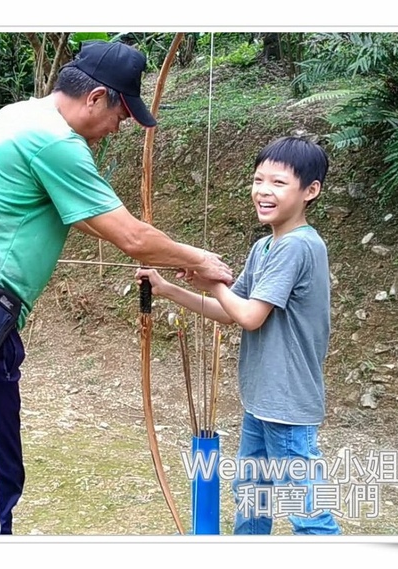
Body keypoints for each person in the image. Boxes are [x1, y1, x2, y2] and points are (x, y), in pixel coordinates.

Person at [0, 40, 234, 535]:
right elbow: (131, 236)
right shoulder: (55, 141)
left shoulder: (22, 116)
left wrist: (170, 258)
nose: (118, 129)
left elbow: (85, 218)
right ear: (97, 97)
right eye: (121, 115)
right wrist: (202, 261)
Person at [136, 136, 342, 535]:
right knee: (250, 494)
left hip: (285, 402)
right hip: (262, 399)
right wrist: (169, 288)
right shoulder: (266, 247)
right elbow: (229, 312)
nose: (264, 191)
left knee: (307, 512)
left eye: (279, 183)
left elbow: (249, 316)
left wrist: (213, 283)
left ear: (310, 191)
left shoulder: (297, 246)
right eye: (258, 180)